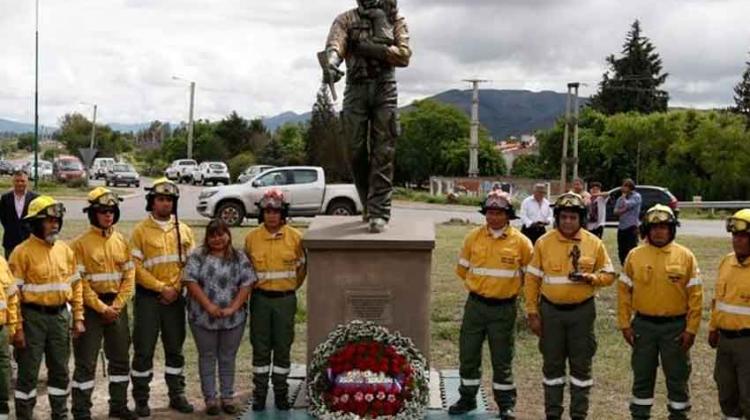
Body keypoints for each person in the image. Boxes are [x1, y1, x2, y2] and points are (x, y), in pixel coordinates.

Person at [524, 192, 615, 420]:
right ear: (557, 218)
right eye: (563, 217)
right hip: (551, 312)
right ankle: (553, 413)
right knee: (552, 366)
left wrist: (592, 278)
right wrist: (533, 313)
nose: (567, 221)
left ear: (580, 219)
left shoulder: (594, 243)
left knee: (581, 367)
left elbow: (609, 274)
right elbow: (532, 279)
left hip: (582, 313)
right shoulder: (544, 243)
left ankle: (578, 414)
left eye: (573, 217)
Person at [323, 0, 412, 232]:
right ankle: (367, 202)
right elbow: (335, 45)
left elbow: (404, 55)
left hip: (385, 89)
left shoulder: (395, 19)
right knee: (354, 150)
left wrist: (374, 49)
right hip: (356, 88)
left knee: (384, 152)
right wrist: (331, 64)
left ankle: (379, 211)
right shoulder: (346, 19)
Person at [449, 191, 533, 419]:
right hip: (475, 306)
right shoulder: (472, 238)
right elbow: (462, 270)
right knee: (468, 355)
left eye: (498, 213)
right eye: (489, 212)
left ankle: (506, 404)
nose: (493, 217)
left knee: (502, 358)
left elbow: (530, 278)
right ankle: (467, 399)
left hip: (504, 309)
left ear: (508, 215)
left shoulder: (522, 243)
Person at [618, 204, 702, 420]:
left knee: (677, 378)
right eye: (654, 227)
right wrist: (625, 324)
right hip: (643, 327)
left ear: (672, 228)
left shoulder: (686, 257)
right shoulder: (634, 256)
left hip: (675, 329)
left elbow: (696, 298)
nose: (658, 231)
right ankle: (640, 415)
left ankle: (679, 415)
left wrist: (691, 330)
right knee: (642, 377)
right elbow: (624, 293)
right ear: (646, 229)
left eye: (664, 227)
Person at [10, 196, 84, 420]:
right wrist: (18, 328)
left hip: (60, 317)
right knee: (28, 373)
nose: (54, 224)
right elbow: (13, 296)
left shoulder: (65, 250)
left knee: (60, 371)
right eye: (49, 220)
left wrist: (78, 317)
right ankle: (25, 415)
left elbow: (76, 285)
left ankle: (60, 414)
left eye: (57, 220)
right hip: (32, 319)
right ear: (35, 223)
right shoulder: (21, 253)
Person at [130, 178, 195, 416]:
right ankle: (141, 399)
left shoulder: (184, 230)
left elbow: (191, 264)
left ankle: (177, 394)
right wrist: (161, 288)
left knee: (175, 349)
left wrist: (175, 289)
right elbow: (135, 267)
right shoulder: (140, 231)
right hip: (149, 299)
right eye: (161, 199)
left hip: (175, 300)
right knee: (144, 350)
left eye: (169, 200)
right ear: (152, 202)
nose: (165, 204)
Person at [70, 187, 136, 420]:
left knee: (119, 359)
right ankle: (81, 411)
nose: (108, 215)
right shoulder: (78, 245)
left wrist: (116, 306)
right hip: (91, 310)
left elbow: (129, 277)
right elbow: (79, 282)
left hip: (116, 308)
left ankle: (118, 406)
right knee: (86, 362)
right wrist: (101, 307)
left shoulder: (121, 241)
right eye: (103, 211)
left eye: (112, 211)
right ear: (93, 214)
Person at [183, 220, 255, 416]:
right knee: (207, 357)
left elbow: (247, 283)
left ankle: (227, 396)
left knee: (227, 357)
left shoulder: (239, 256)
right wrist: (209, 306)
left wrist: (232, 308)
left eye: (221, 234)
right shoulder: (198, 255)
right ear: (207, 237)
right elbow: (189, 280)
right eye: (212, 235)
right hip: (202, 317)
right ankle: (210, 399)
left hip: (233, 319)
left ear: (228, 235)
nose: (217, 239)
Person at [245, 189, 306, 411]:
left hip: (285, 300)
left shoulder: (296, 238)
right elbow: (247, 272)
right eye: (267, 211)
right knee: (260, 347)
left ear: (283, 214)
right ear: (262, 213)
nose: (272, 215)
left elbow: (302, 270)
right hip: (260, 300)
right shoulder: (252, 238)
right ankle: (259, 393)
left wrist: (287, 289)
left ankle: (281, 393)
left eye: (276, 211)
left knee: (282, 346)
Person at [708, 209, 750, 419]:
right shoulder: (727, 262)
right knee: (727, 395)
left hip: (747, 343)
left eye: (743, 236)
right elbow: (718, 300)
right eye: (735, 236)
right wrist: (713, 328)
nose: (737, 241)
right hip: (725, 341)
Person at [0, 170, 37, 258]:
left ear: (27, 182)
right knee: (10, 270)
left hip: (30, 242)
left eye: (22, 181)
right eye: (17, 181)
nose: (20, 183)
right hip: (10, 242)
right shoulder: (5, 198)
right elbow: (3, 218)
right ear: (13, 182)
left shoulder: (35, 198)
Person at [0, 251, 18, 419]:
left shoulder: (2, 263)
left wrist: (12, 326)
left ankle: (2, 411)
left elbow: (12, 297)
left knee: (3, 371)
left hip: (1, 329)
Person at [615, 178, 642, 265]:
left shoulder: (636, 196)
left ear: (630, 187)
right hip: (622, 227)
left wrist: (623, 199)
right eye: (623, 185)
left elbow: (628, 204)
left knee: (631, 248)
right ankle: (623, 266)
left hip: (632, 226)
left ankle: (632, 267)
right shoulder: (620, 198)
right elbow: (615, 211)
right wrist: (623, 210)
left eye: (625, 186)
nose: (622, 188)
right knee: (621, 249)